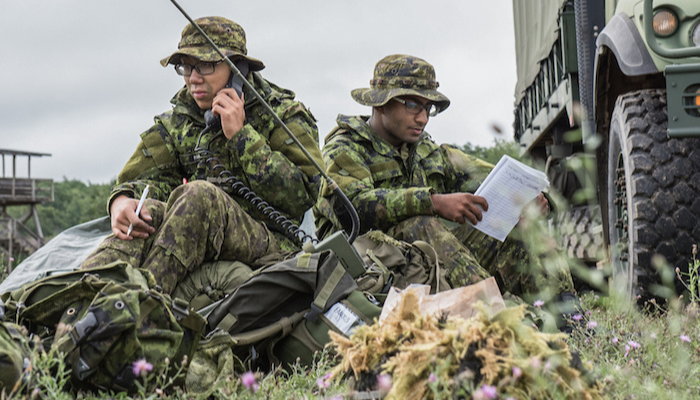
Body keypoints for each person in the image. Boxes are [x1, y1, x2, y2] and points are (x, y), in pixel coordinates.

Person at [314, 54, 576, 316]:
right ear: (381, 103)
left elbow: (494, 177)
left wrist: (534, 198)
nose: (423, 118)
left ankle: (569, 316)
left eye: (428, 109)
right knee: (421, 224)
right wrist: (434, 203)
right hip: (369, 278)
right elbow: (354, 209)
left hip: (427, 269)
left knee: (518, 224)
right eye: (412, 105)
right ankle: (502, 317)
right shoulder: (344, 148)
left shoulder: (427, 151)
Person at [80, 16, 323, 294]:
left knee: (199, 196)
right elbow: (150, 180)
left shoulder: (283, 115)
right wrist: (123, 201)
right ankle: (67, 304)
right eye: (185, 67)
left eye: (205, 65)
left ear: (237, 69)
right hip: (196, 233)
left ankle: (138, 306)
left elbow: (302, 194)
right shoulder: (180, 119)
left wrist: (243, 137)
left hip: (271, 242)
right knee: (144, 218)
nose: (193, 78)